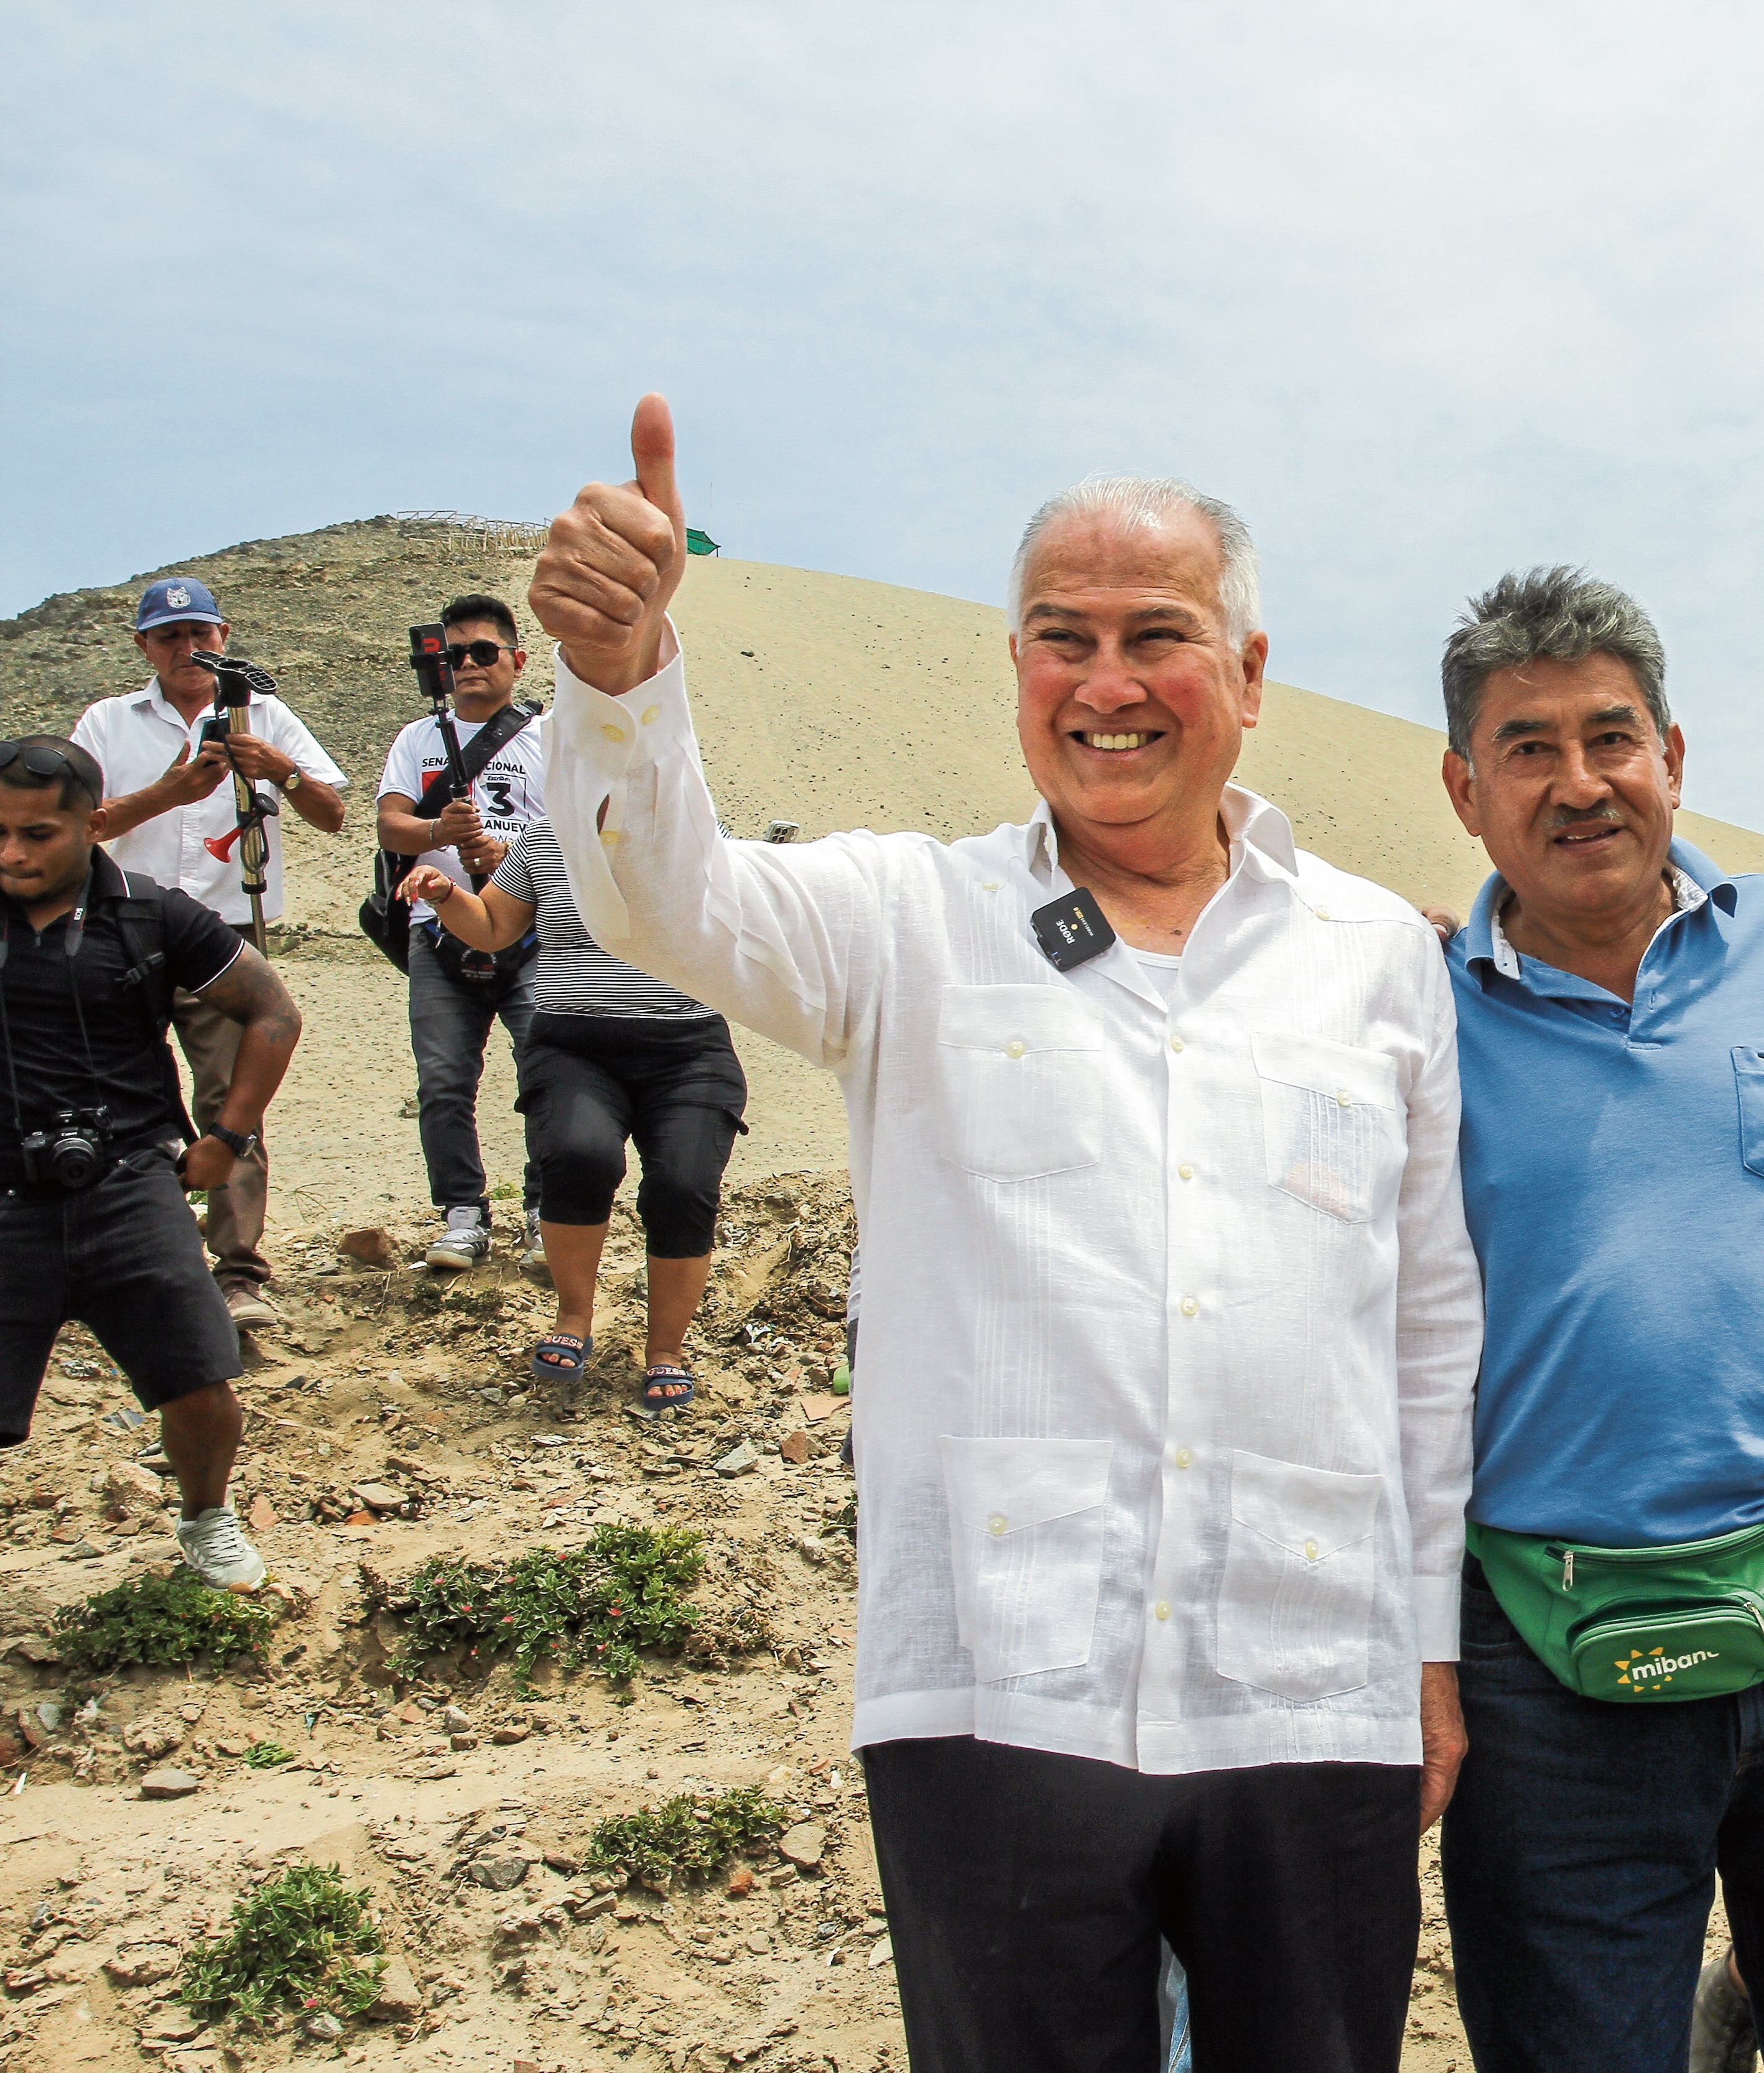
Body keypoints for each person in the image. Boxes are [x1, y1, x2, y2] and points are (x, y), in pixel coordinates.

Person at [526, 398, 1481, 2073]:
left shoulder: (1375, 957)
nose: (1106, 681)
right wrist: (620, 682)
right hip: (995, 1683)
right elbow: (666, 897)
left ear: (1250, 673)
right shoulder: (906, 920)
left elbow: (1428, 1328)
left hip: (1310, 1676)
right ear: (1016, 665)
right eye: (1062, 636)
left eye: (1155, 635)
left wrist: (1428, 1639)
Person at [1427, 568, 1764, 2071]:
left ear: (1671, 755)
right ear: (1465, 791)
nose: (1580, 781)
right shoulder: (1407, 1012)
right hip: (1546, 1637)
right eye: (1528, 748)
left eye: (1612, 737)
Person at [0, 736, 300, 1592]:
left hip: (129, 1184)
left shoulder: (153, 914)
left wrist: (227, 1138)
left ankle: (207, 1519)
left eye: (36, 834)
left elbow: (274, 1013)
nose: (12, 853)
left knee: (202, 1383)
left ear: (93, 826)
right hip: (5, 1197)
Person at [67, 578, 345, 1328]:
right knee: (112, 1095)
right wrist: (172, 792)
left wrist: (280, 769)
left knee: (231, 1099)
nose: (188, 649)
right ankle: (115, 1256)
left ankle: (239, 1271)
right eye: (169, 636)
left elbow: (332, 813)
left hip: (222, 938)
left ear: (224, 636)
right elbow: (74, 825)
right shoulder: (107, 723)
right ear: (143, 647)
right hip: (118, 929)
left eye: (200, 634)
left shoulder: (265, 714)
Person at [397, 811, 741, 1413]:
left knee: (684, 1185)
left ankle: (666, 1349)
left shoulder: (700, 834)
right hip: (573, 1044)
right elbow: (493, 927)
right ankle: (574, 1317)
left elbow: (754, 923)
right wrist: (446, 893)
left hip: (689, 1048)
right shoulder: (545, 836)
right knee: (579, 1156)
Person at [376, 594, 549, 1271]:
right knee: (444, 1081)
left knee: (547, 1073)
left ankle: (544, 1211)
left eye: (484, 651)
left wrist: (508, 857)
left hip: (531, 936)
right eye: (455, 655)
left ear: (517, 659)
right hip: (438, 934)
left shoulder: (549, 740)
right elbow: (391, 825)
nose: (469, 664)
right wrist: (436, 832)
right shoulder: (417, 740)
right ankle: (462, 1215)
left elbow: (571, 832)